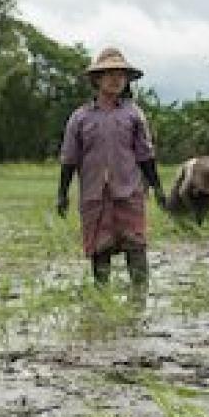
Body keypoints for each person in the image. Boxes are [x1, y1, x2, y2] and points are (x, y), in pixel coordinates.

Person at [55, 48, 162, 287]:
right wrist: (62, 194)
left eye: (120, 75)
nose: (116, 79)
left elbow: (145, 155)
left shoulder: (134, 115)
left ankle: (139, 300)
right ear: (97, 79)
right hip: (94, 196)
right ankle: (102, 304)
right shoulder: (80, 118)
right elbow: (69, 159)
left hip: (129, 193)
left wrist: (157, 187)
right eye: (109, 74)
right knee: (99, 251)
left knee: (136, 247)